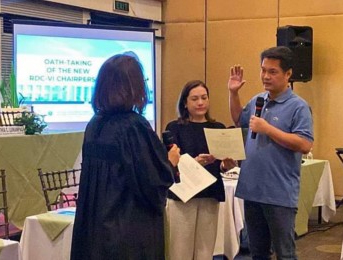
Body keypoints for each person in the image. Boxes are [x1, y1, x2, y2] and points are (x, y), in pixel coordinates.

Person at [70, 54, 180, 260]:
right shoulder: (133, 126)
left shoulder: (94, 124)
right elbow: (151, 181)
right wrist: (170, 162)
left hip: (94, 228)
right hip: (127, 231)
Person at [228, 46, 313, 260]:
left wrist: (268, 129)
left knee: (285, 253)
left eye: (273, 72)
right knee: (258, 253)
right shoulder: (259, 100)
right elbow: (239, 120)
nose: (266, 76)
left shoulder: (298, 107)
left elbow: (305, 144)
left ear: (288, 74)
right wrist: (233, 93)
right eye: (263, 70)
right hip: (252, 189)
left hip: (279, 193)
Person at [165, 80, 236, 260]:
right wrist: (194, 162)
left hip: (209, 193)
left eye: (204, 98)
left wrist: (225, 165)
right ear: (185, 103)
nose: (200, 102)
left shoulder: (218, 128)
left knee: (205, 250)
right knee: (180, 251)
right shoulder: (175, 128)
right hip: (183, 195)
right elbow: (170, 162)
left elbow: (218, 164)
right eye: (195, 99)